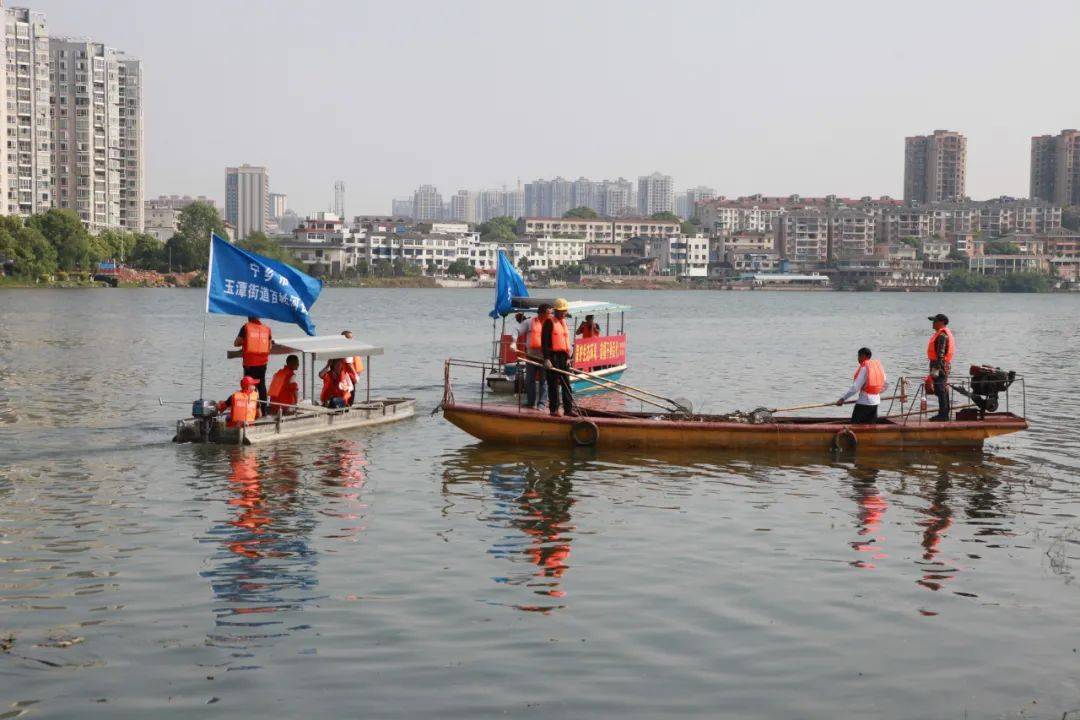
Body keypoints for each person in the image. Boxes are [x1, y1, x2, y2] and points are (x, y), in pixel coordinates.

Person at [836, 347, 887, 424]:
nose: (858, 359)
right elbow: (886, 385)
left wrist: (843, 399)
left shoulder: (864, 367)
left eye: (859, 356)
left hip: (864, 403)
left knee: (855, 425)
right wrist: (875, 393)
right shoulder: (878, 366)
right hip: (876, 402)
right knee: (870, 426)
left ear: (863, 356)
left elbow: (855, 387)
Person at [542, 298, 575, 417]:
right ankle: (554, 409)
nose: (564, 313)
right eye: (562, 311)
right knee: (553, 384)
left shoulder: (564, 322)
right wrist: (547, 359)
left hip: (563, 357)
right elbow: (544, 342)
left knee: (566, 383)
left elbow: (566, 343)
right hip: (552, 356)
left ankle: (568, 409)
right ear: (556, 311)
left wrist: (568, 357)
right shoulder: (549, 322)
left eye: (565, 310)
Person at [234, 316, 273, 411]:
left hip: (250, 364)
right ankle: (264, 411)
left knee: (249, 387)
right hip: (263, 363)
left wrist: (246, 342)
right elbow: (270, 346)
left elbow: (237, 342)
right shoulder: (266, 329)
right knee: (262, 386)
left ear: (249, 317)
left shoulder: (246, 327)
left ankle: (251, 410)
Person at [926, 313, 955, 421]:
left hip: (939, 365)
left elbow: (941, 354)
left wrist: (937, 370)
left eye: (935, 321)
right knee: (942, 389)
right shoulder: (942, 334)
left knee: (940, 389)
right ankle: (944, 413)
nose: (933, 323)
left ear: (942, 322)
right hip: (942, 365)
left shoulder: (942, 335)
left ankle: (943, 415)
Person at [523, 305, 550, 410]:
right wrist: (513, 342)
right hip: (531, 356)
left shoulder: (551, 323)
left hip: (545, 357)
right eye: (548, 313)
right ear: (542, 313)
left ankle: (542, 404)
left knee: (544, 381)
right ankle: (531, 402)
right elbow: (517, 329)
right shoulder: (529, 322)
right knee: (530, 380)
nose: (550, 315)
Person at [341, 330, 364, 405]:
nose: (352, 340)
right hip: (349, 375)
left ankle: (347, 404)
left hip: (348, 375)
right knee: (350, 392)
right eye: (350, 338)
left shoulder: (346, 348)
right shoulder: (347, 349)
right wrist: (355, 374)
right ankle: (348, 405)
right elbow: (349, 363)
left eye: (352, 338)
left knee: (349, 391)